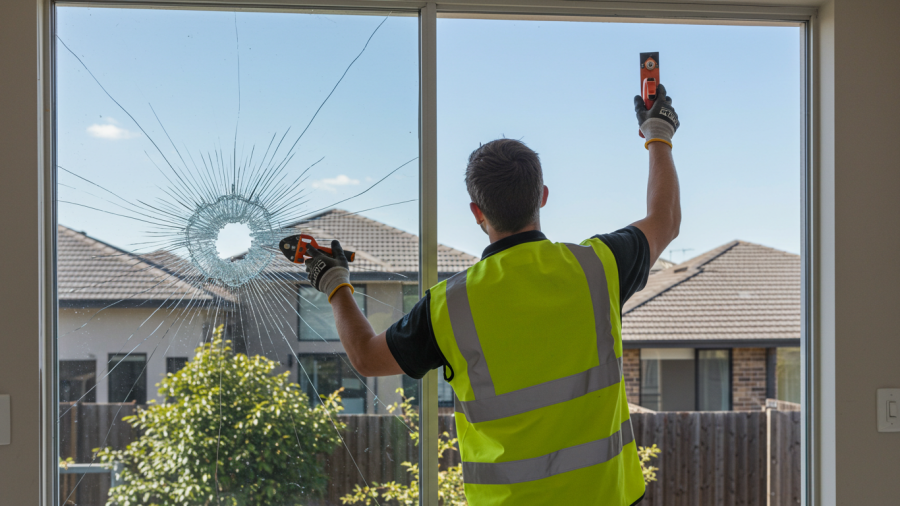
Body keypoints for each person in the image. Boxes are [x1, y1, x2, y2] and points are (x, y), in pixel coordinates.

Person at [303, 85, 681, 506]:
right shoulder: (597, 267)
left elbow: (367, 357)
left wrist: (335, 283)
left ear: (477, 212)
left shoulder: (450, 305)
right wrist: (657, 132)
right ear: (541, 197)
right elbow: (664, 220)